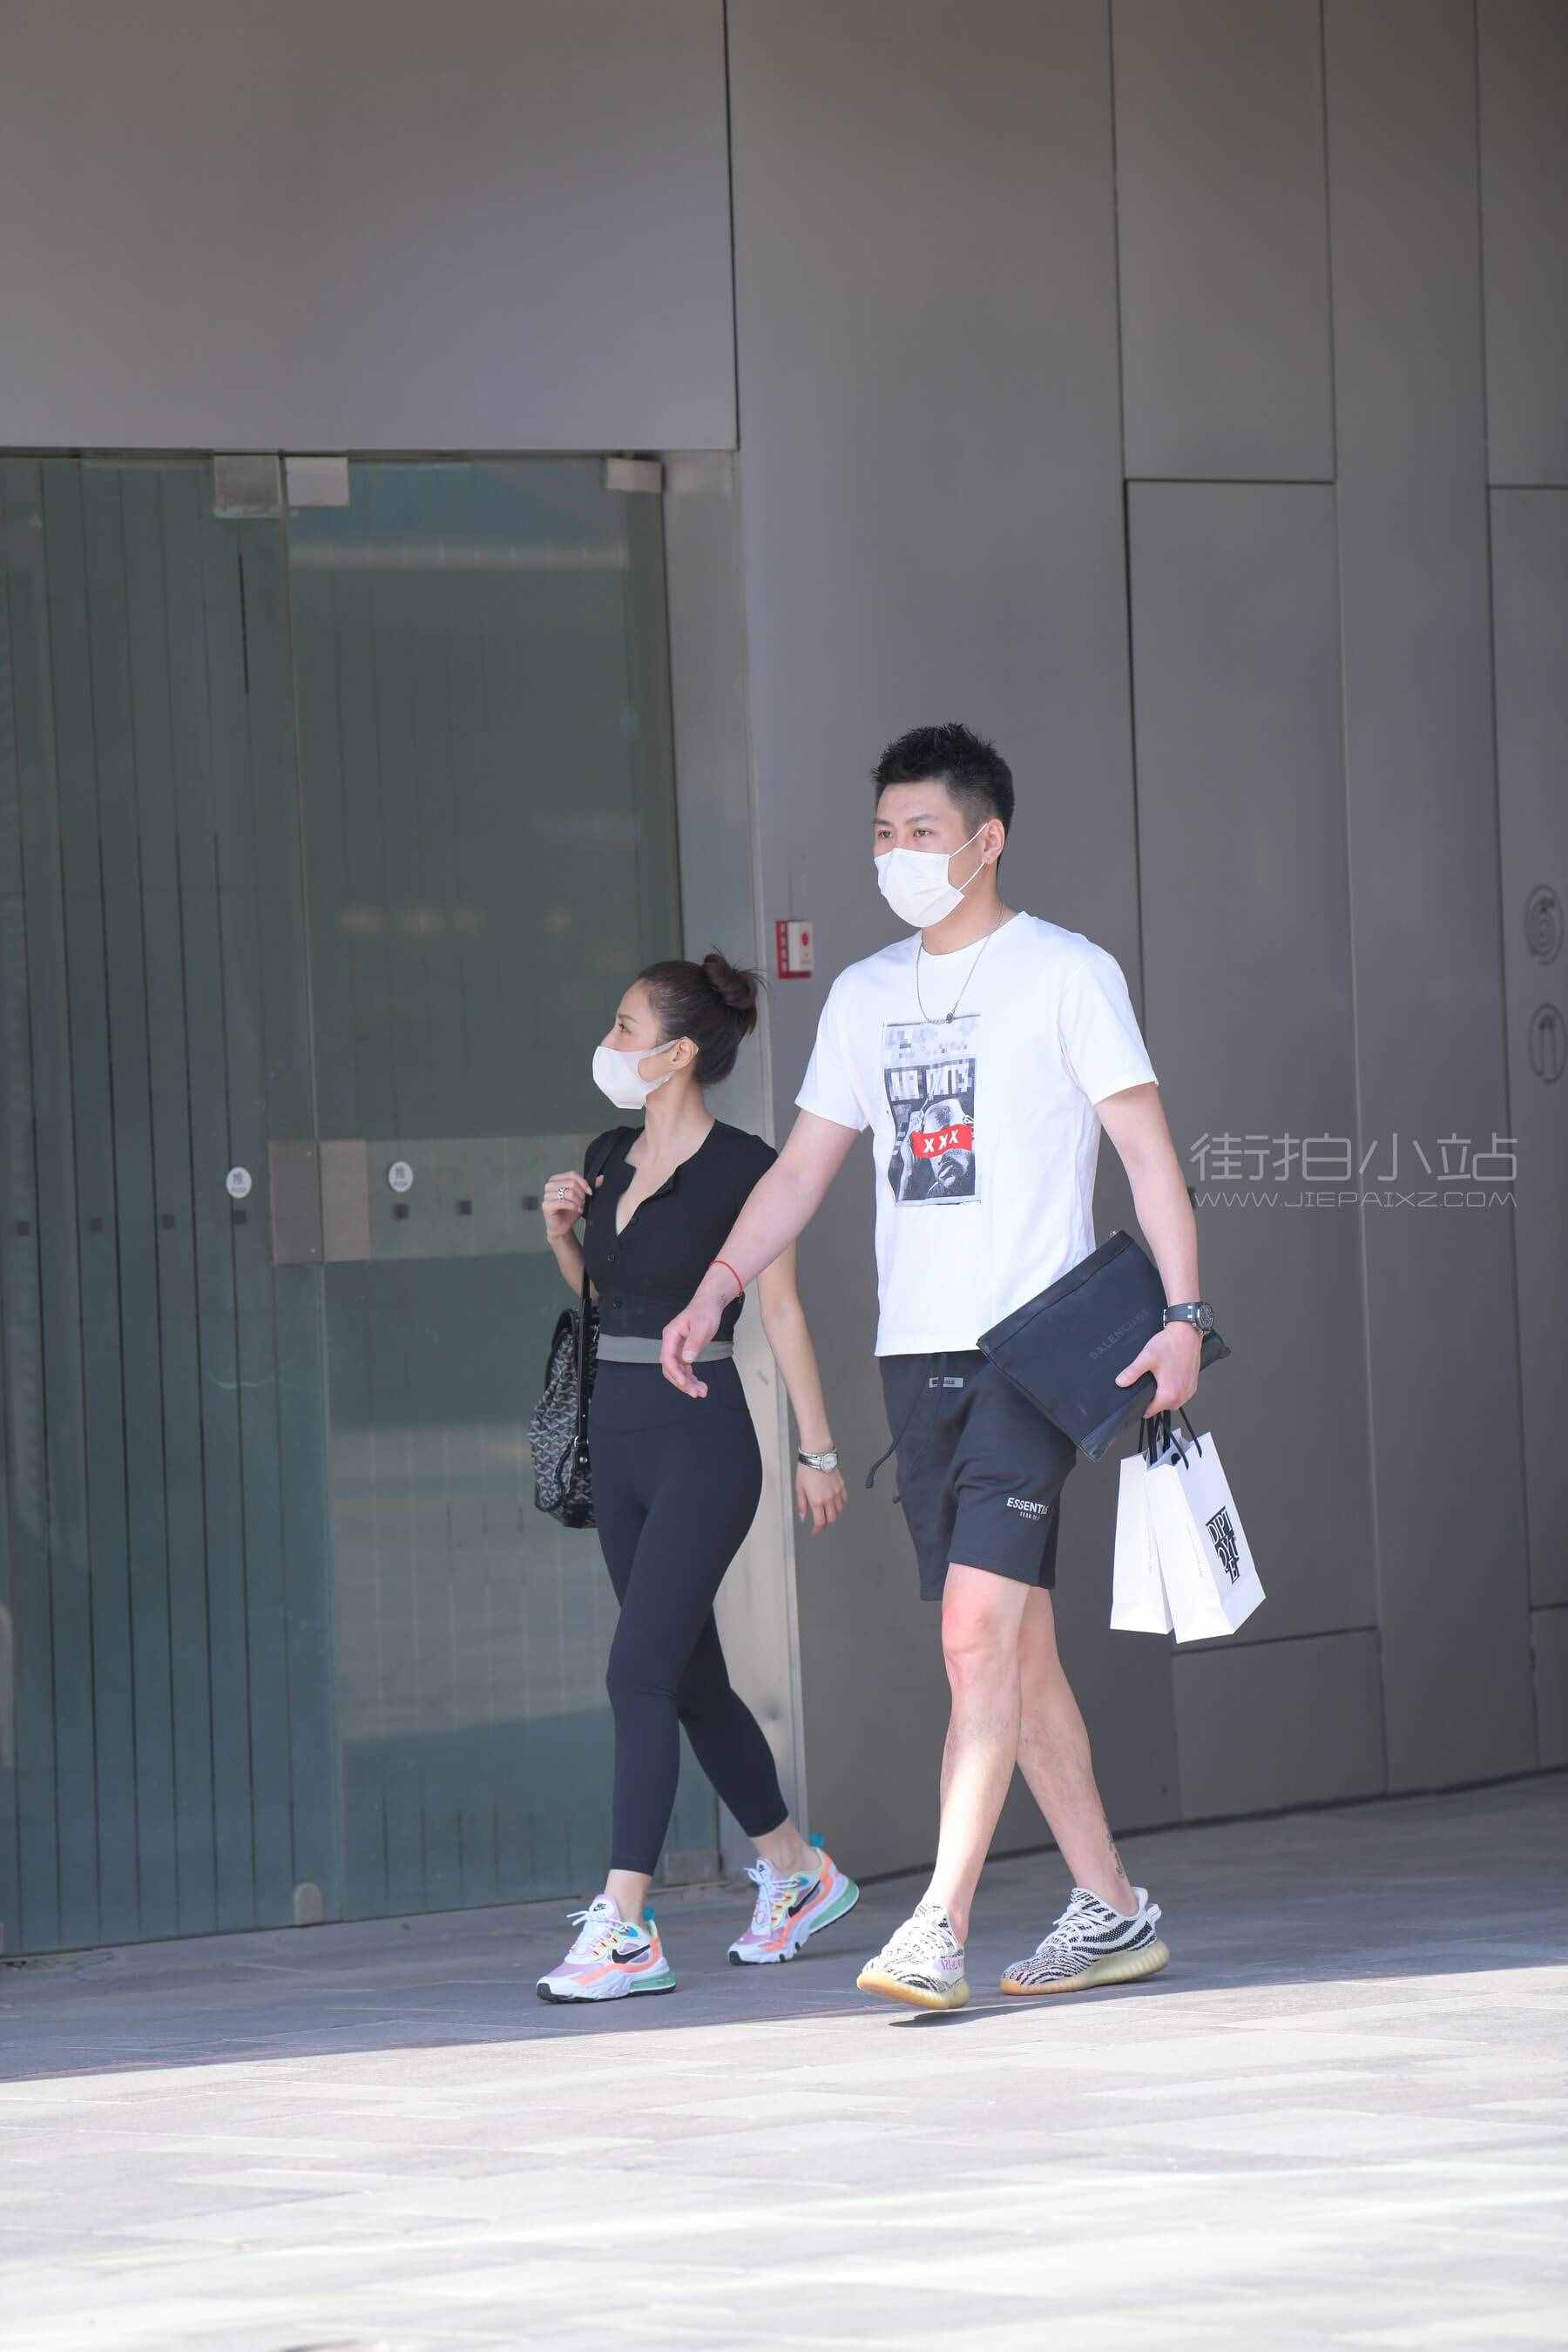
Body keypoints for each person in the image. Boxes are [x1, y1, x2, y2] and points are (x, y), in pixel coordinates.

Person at [660, 725, 1209, 2011]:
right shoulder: (864, 996)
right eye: (882, 833)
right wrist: (718, 1285)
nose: (896, 853)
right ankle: (1112, 1909)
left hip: (1039, 1348)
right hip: (918, 1355)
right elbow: (803, 1169)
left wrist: (1185, 1314)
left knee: (972, 1638)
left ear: (986, 839)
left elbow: (1147, 1155)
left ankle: (938, 1924)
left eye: (921, 831)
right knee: (1015, 1650)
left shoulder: (1066, 973)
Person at [535, 950, 859, 2003]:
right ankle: (798, 1873)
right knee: (686, 1679)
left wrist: (818, 1450)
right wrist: (562, 1238)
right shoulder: (607, 1155)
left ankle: (627, 1927)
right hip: (617, 1435)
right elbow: (604, 1300)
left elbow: (782, 1309)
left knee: (636, 1672)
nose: (609, 1044)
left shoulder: (749, 1169)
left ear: (676, 1054)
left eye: (625, 1028)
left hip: (702, 1442)